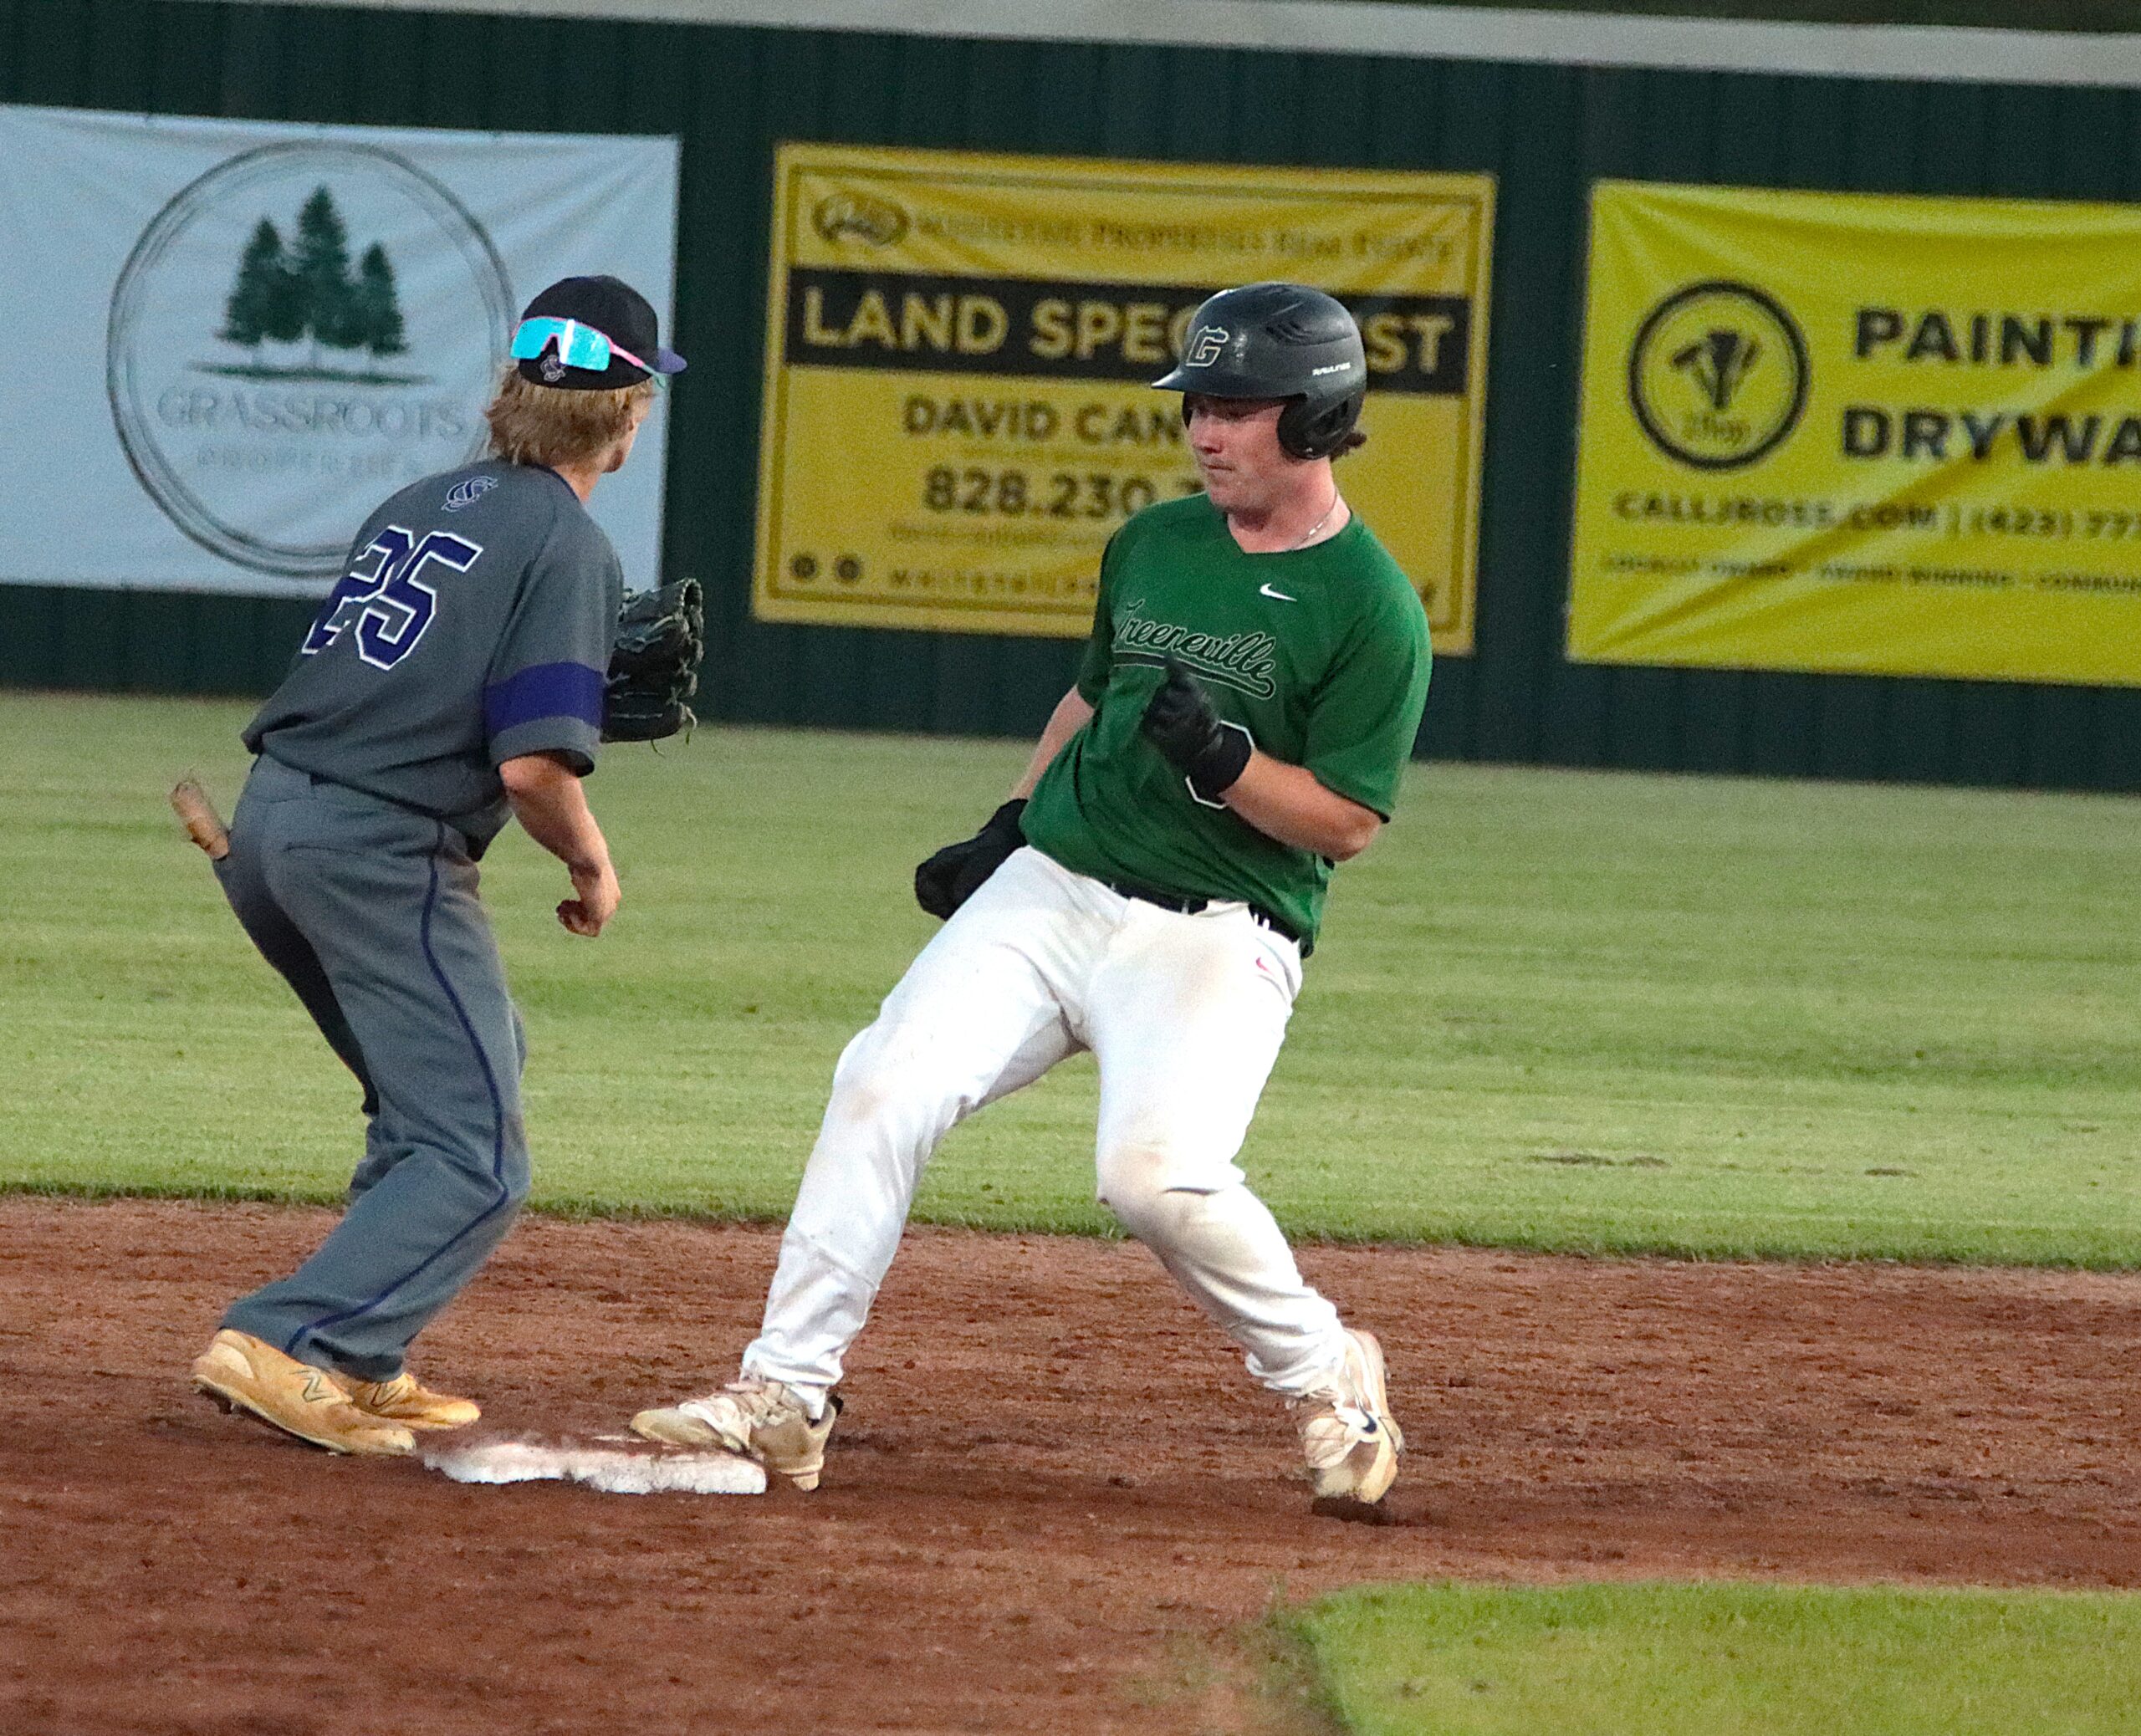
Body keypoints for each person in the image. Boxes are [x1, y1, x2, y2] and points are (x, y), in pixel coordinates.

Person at [632, 282, 1431, 1506]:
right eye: (1197, 406)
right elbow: (1091, 697)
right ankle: (787, 1393)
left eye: (1236, 408)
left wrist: (1225, 759)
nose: (1205, 431)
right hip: (1057, 884)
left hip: (1218, 933)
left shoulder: (1371, 606)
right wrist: (1008, 822)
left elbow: (1350, 822)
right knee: (882, 1082)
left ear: (1318, 418)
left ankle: (1330, 1374)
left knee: (1153, 1178)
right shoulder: (1154, 544)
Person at [190, 275, 685, 1456]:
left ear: (513, 392)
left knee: (448, 1089)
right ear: (627, 417)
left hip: (270, 827)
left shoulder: (420, 502)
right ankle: (290, 1340)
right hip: (377, 853)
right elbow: (532, 768)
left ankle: (360, 1355)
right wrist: (592, 863)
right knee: (478, 1155)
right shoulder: (567, 542)